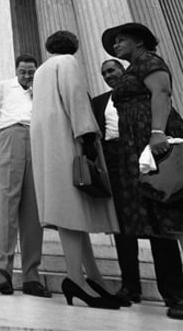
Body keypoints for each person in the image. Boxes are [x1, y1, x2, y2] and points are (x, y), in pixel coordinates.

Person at [31, 31, 120, 309]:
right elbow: (75, 99)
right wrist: (87, 135)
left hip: (48, 145)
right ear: (74, 47)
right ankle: (75, 279)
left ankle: (93, 277)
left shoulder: (42, 70)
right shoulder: (68, 63)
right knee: (71, 212)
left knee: (72, 212)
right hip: (68, 142)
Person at [101, 22, 183, 320]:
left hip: (153, 143)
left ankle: (177, 295)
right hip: (134, 147)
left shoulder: (149, 61)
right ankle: (168, 293)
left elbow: (162, 93)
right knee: (150, 217)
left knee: (163, 216)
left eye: (121, 40)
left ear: (138, 41)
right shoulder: (134, 66)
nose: (116, 45)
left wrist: (157, 132)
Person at [0, 54, 51, 298]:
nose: (27, 75)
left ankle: (31, 276)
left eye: (31, 71)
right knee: (8, 201)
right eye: (24, 71)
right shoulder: (4, 87)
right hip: (11, 135)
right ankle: (3, 268)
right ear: (17, 70)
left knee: (34, 208)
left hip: (37, 138)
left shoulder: (41, 89)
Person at [92, 59, 142, 306]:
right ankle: (130, 286)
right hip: (112, 158)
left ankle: (174, 292)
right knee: (123, 225)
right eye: (104, 73)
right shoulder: (100, 102)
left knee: (157, 224)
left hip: (141, 155)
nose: (108, 75)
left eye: (112, 70)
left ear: (124, 70)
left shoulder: (143, 94)